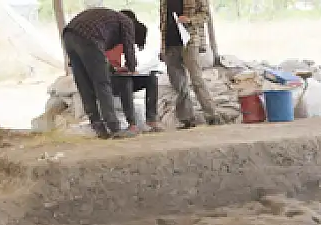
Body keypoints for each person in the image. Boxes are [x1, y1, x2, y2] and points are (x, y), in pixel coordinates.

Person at [61, 7, 141, 139]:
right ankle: (114, 127)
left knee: (84, 84)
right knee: (102, 83)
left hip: (69, 35)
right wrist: (132, 68)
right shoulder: (127, 22)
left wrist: (110, 68)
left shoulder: (111, 21)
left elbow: (97, 56)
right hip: (88, 35)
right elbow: (129, 47)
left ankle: (98, 127)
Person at [158, 0, 222, 128]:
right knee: (178, 83)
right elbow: (163, 21)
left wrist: (190, 19)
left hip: (190, 41)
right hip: (170, 43)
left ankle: (212, 116)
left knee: (197, 79)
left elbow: (205, 14)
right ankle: (187, 119)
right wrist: (162, 48)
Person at [106, 11, 164, 134]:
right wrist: (115, 69)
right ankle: (131, 123)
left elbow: (132, 62)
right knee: (125, 80)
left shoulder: (127, 42)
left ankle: (151, 119)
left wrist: (132, 68)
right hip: (109, 80)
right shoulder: (106, 38)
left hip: (125, 75)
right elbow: (101, 63)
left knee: (152, 77)